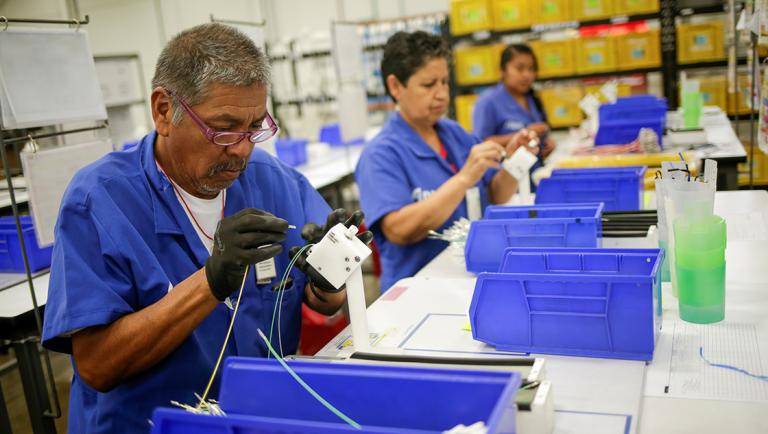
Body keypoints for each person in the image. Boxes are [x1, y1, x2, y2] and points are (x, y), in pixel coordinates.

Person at [41, 23, 370, 434]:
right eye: (225, 128)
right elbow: (97, 365)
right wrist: (210, 282)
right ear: (163, 110)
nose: (243, 149)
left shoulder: (273, 182)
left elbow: (323, 303)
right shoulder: (100, 202)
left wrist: (329, 273)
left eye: (254, 128)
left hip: (258, 417)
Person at [355, 31, 537, 292]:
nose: (441, 94)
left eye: (444, 82)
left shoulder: (454, 134)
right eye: (429, 85)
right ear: (395, 87)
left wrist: (516, 162)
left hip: (465, 278)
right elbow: (399, 230)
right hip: (417, 290)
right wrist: (463, 179)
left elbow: (495, 193)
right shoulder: (381, 154)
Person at [472, 44, 556, 161]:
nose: (527, 75)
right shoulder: (488, 101)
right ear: (502, 70)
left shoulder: (533, 98)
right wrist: (524, 135)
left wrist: (547, 145)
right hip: (504, 174)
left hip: (535, 174)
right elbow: (481, 143)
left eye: (531, 69)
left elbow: (539, 138)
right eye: (519, 68)